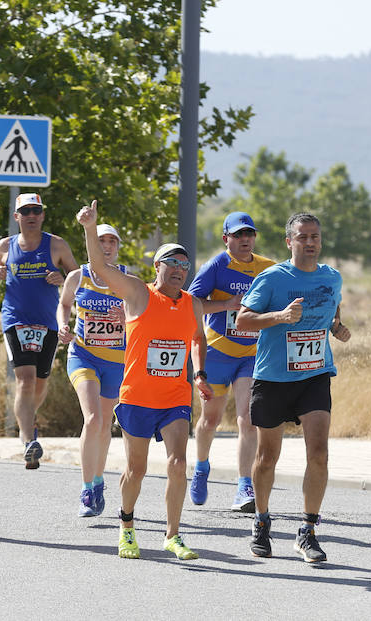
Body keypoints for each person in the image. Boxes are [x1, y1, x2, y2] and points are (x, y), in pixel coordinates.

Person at [77, 200, 212, 560]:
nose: (180, 269)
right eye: (173, 263)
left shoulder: (192, 305)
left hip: (175, 399)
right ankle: (127, 525)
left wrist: (199, 374)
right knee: (136, 469)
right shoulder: (138, 293)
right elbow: (98, 268)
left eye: (185, 264)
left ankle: (173, 534)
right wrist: (91, 229)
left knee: (178, 463)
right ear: (158, 267)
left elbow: (197, 339)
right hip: (137, 397)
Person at [236, 212, 351, 563]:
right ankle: (261, 521)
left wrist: (336, 327)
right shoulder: (273, 278)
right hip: (273, 379)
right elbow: (243, 319)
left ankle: (308, 530)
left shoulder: (332, 278)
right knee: (267, 458)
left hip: (314, 375)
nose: (310, 242)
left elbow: (331, 308)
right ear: (290, 242)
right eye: (302, 237)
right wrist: (280, 317)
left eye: (314, 236)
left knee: (319, 453)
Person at [187, 212, 276, 512]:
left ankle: (243, 487)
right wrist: (226, 304)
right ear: (226, 238)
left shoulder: (267, 268)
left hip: (250, 355)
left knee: (247, 419)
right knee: (210, 419)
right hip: (217, 353)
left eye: (249, 234)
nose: (244, 239)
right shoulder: (216, 266)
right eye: (237, 235)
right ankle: (200, 468)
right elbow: (191, 303)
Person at [0, 192, 78, 468]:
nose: (31, 216)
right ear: (17, 217)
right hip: (16, 320)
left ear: (43, 215)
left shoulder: (57, 245)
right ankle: (28, 440)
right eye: (25, 212)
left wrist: (62, 279)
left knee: (40, 382)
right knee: (25, 379)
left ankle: (28, 420)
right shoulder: (6, 245)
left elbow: (78, 279)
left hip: (47, 322)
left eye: (36, 211)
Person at [57, 223, 126, 517]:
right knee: (93, 419)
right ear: (91, 245)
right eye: (101, 241)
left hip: (115, 359)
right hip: (83, 355)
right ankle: (87, 488)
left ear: (117, 247)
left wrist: (128, 317)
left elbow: (140, 311)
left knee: (104, 424)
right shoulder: (78, 276)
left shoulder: (125, 277)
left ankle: (98, 481)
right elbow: (63, 304)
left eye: (112, 241)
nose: (107, 246)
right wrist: (62, 324)